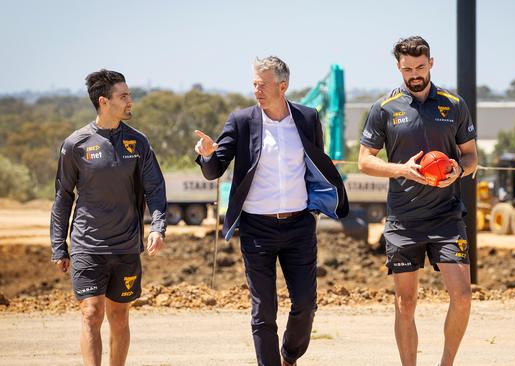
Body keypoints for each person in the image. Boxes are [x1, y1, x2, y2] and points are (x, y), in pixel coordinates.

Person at [194, 56, 348, 366]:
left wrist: (315, 211)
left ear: (282, 86)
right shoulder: (241, 121)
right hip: (256, 230)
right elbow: (214, 170)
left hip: (299, 227)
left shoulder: (307, 117)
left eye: (262, 85)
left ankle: (289, 356)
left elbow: (315, 165)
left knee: (306, 305)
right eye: (253, 84)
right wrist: (208, 155)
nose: (256, 90)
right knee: (263, 310)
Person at [357, 36, 478, 366]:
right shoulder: (384, 108)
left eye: (420, 67)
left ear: (431, 63)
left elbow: (471, 158)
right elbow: (365, 161)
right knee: (405, 302)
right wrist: (402, 170)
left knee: (463, 297)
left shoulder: (453, 105)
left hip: (446, 216)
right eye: (408, 68)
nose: (415, 74)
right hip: (404, 220)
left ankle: (446, 364)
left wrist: (458, 171)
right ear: (398, 66)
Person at [50, 69, 167, 366]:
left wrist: (158, 227)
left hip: (126, 247)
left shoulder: (138, 143)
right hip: (87, 245)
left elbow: (155, 188)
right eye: (123, 96)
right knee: (91, 313)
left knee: (119, 316)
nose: (130, 101)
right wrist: (58, 246)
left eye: (129, 95)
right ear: (104, 101)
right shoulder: (75, 144)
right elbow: (63, 196)